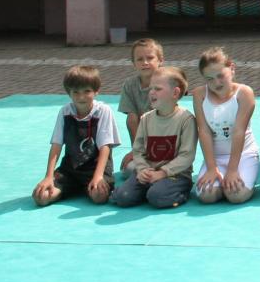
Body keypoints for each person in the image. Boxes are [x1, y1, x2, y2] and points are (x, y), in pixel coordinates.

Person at [110, 66, 197, 209]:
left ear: (175, 93)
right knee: (122, 197)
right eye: (151, 88)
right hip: (148, 173)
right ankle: (148, 190)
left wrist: (163, 172)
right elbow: (138, 150)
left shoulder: (186, 119)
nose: (151, 92)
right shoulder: (146, 119)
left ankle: (180, 192)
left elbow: (187, 156)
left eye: (158, 89)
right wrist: (143, 169)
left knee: (156, 196)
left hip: (175, 175)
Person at [33, 65, 119, 207]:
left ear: (96, 91)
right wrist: (48, 176)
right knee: (41, 197)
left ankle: (84, 188)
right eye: (76, 92)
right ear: (69, 92)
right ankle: (71, 188)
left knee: (99, 196)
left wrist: (98, 176)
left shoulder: (104, 111)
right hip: (70, 170)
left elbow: (105, 147)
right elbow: (56, 145)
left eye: (87, 91)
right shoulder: (65, 112)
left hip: (96, 169)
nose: (81, 97)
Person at [192, 48, 259, 204]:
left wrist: (232, 170)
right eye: (209, 79)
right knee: (207, 196)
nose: (216, 83)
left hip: (243, 155)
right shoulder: (199, 94)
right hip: (215, 157)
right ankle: (219, 182)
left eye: (220, 76)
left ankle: (244, 179)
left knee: (236, 195)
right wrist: (211, 168)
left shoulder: (244, 93)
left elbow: (238, 131)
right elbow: (204, 131)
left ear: (232, 68)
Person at [118, 37, 163, 175]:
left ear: (160, 60)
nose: (145, 63)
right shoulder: (129, 85)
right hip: (142, 142)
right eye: (139, 59)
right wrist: (136, 151)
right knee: (129, 170)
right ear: (133, 63)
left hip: (165, 139)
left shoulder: (166, 83)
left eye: (150, 58)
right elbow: (132, 120)